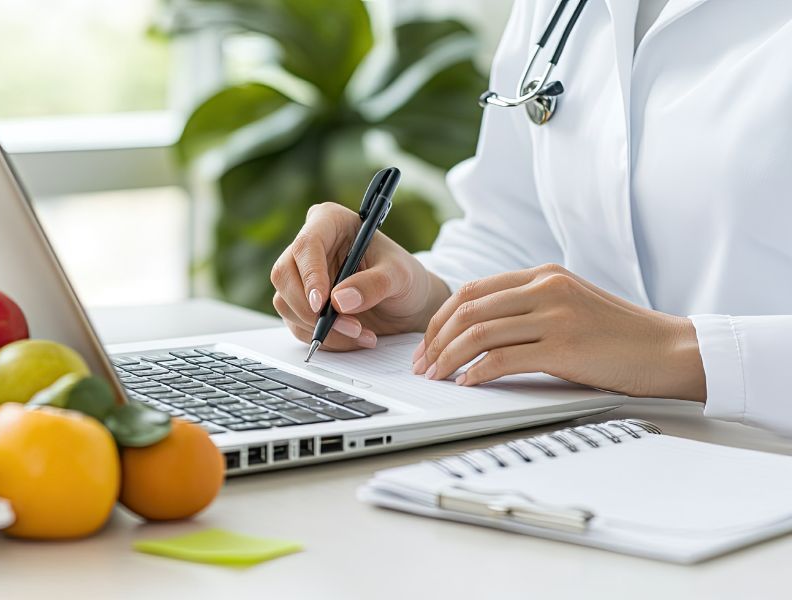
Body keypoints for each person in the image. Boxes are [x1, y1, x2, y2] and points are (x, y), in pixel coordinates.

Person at [269, 0, 792, 435]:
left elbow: (628, 335)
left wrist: (676, 354)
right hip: (595, 450)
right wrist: (426, 298)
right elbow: (514, 229)